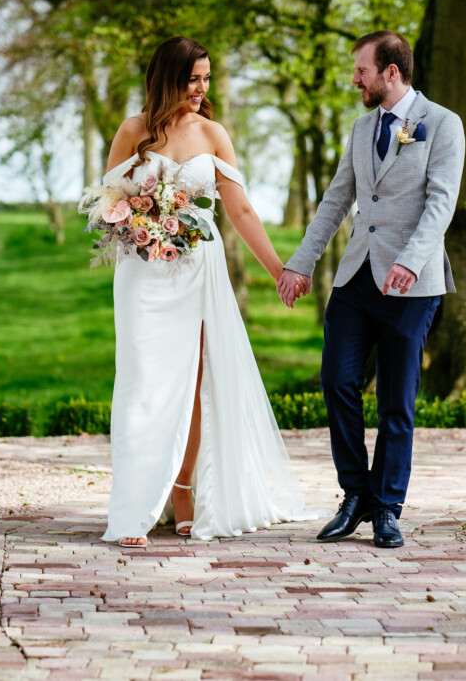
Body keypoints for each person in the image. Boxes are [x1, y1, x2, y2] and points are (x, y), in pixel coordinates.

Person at [100, 36, 311, 547]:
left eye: (207, 79)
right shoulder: (133, 130)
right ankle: (132, 509)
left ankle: (183, 492)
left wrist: (281, 268)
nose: (201, 88)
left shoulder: (214, 134)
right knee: (140, 380)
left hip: (196, 267)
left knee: (194, 381)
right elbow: (107, 201)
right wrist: (139, 219)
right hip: (141, 271)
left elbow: (239, 211)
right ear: (167, 78)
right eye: (192, 79)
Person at [277, 30, 464, 549]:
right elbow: (336, 201)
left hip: (412, 283)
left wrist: (409, 260)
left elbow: (441, 204)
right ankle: (355, 495)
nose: (353, 79)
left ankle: (387, 507)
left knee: (396, 403)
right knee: (336, 383)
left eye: (361, 70)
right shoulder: (362, 129)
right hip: (357, 279)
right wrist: (300, 263)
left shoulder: (443, 125)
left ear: (391, 72)